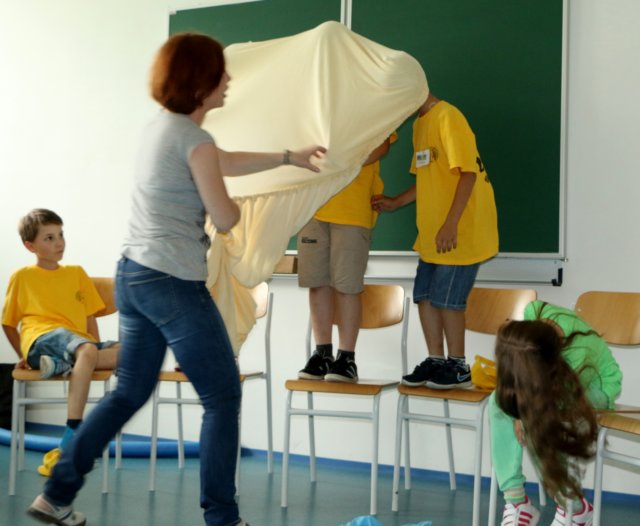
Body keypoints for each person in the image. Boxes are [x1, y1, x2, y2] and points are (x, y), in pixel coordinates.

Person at [27, 33, 325, 526]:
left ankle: (56, 495)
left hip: (134, 276)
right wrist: (251, 208)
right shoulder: (194, 140)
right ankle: (222, 518)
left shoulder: (163, 129)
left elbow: (222, 160)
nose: (228, 79)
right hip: (171, 283)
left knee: (128, 392)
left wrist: (288, 157)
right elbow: (225, 217)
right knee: (222, 395)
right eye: (220, 72)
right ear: (200, 82)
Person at [371, 92, 498, 389]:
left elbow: (468, 174)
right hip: (432, 234)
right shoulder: (420, 124)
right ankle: (436, 360)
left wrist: (451, 224)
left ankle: (458, 365)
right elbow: (427, 178)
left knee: (448, 300)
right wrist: (396, 202)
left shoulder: (448, 117)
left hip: (459, 232)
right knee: (425, 295)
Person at [2, 208, 120, 477]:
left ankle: (59, 364)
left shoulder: (76, 273)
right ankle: (72, 433)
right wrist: (24, 355)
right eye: (49, 238)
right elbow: (8, 323)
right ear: (30, 246)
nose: (59, 242)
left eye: (60, 235)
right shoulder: (22, 277)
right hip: (42, 338)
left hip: (76, 345)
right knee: (85, 350)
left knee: (132, 352)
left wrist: (91, 352)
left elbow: (89, 317)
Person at [491, 300, 622, 526]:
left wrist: (524, 414)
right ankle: (516, 502)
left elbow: (542, 399)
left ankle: (573, 507)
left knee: (538, 416)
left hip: (596, 385)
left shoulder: (577, 353)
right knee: (497, 401)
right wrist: (516, 413)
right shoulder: (533, 313)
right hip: (554, 377)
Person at [297, 133, 396, 383]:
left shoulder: (370, 108)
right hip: (312, 207)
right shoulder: (315, 110)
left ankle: (346, 358)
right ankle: (322, 354)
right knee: (317, 282)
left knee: (347, 286)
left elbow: (382, 145)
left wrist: (341, 162)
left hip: (352, 211)